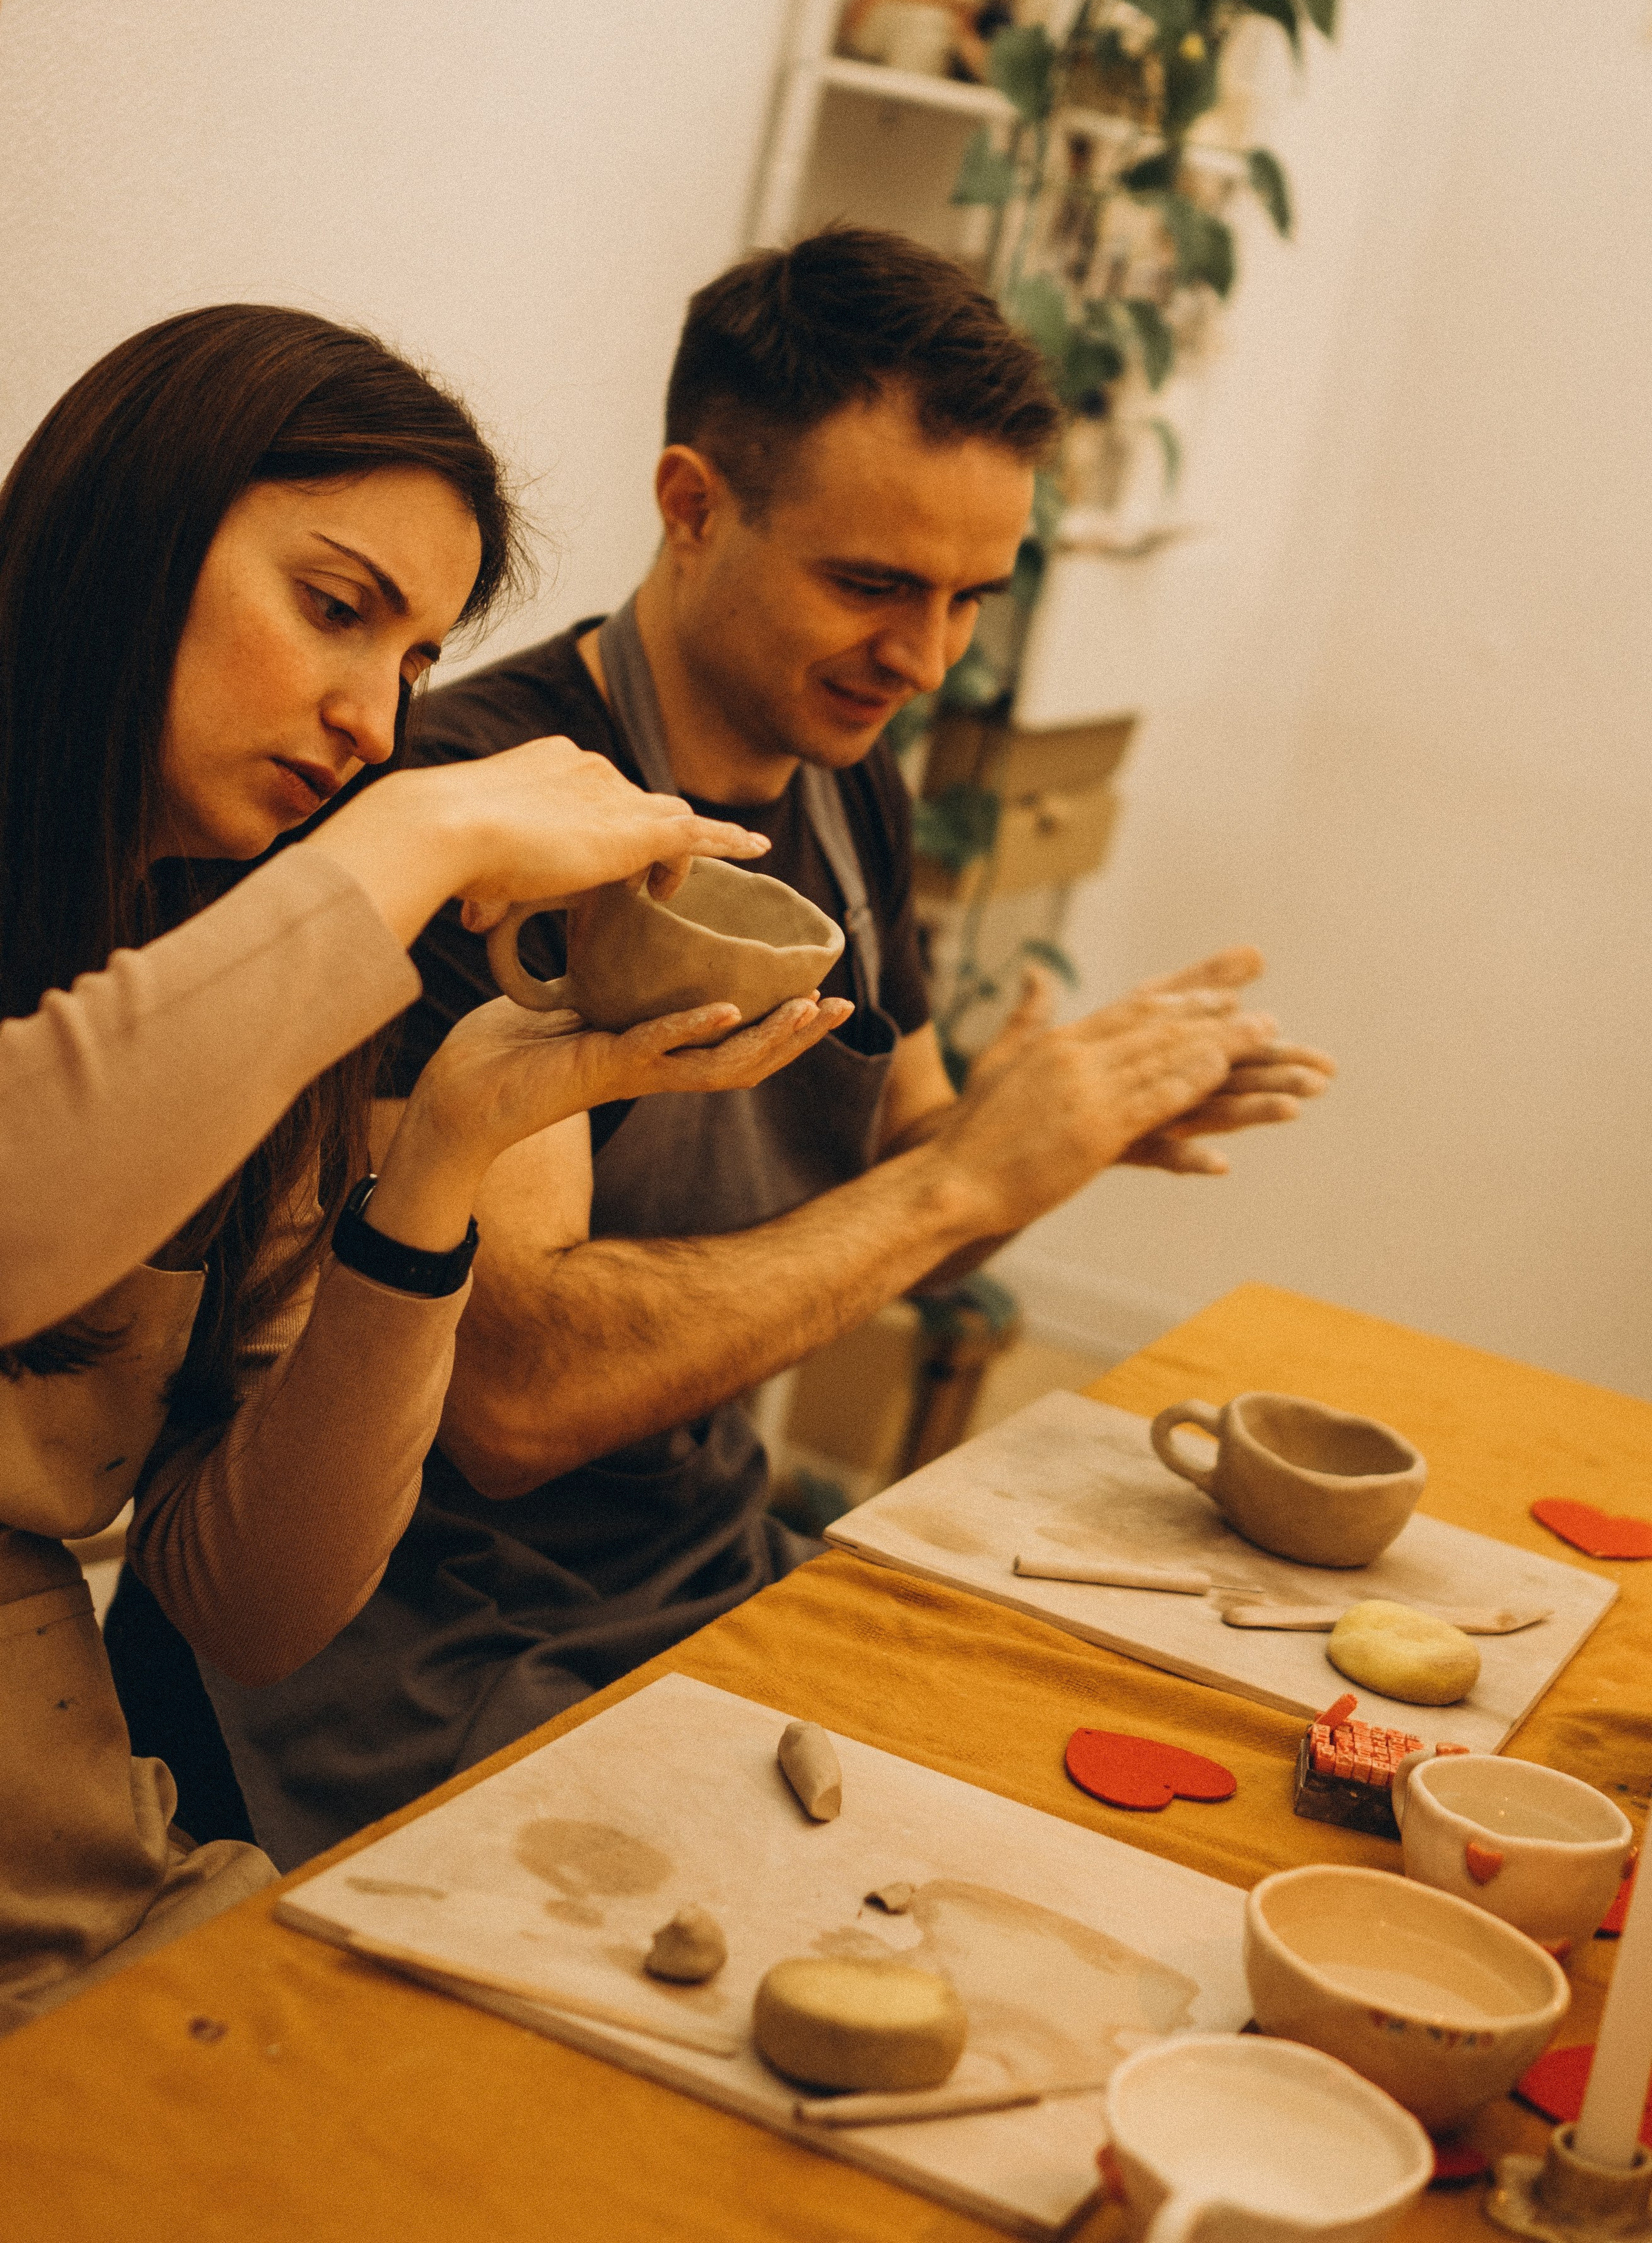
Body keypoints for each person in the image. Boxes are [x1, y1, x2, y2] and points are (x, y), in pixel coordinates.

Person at [152, 231, 1335, 1867]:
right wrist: (964, 1184)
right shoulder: (464, 814)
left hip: (700, 1567)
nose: (925, 659)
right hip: (424, 1647)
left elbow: (908, 1180)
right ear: (691, 504)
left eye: (969, 601)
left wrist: (1048, 1129)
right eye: (873, 585)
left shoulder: (846, 780)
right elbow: (515, 1395)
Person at [0, 302, 840, 2027]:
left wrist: (446, 1154)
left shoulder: (257, 976)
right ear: (133, 529)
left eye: (412, 665)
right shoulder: (299, 933)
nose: (374, 723)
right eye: (334, 609)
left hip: (83, 1877)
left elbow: (248, 1605)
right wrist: (424, 826)